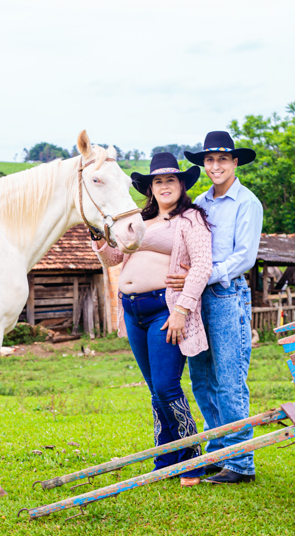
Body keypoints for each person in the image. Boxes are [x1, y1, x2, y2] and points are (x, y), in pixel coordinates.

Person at [91, 152, 213, 486]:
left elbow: (202, 266)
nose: (164, 186)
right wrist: (98, 237)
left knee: (166, 385)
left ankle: (191, 458)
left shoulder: (190, 219)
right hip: (132, 310)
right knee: (154, 389)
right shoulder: (139, 220)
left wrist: (182, 310)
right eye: (158, 181)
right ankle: (165, 457)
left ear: (181, 185)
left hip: (165, 308)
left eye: (170, 180)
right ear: (150, 188)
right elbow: (114, 259)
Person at [165, 130, 262, 485]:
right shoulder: (200, 204)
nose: (215, 165)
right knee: (202, 376)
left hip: (226, 294)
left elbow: (245, 257)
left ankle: (240, 462)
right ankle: (217, 451)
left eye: (223, 159)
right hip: (197, 297)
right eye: (209, 160)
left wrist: (205, 275)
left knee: (229, 378)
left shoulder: (247, 202)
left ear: (235, 162)